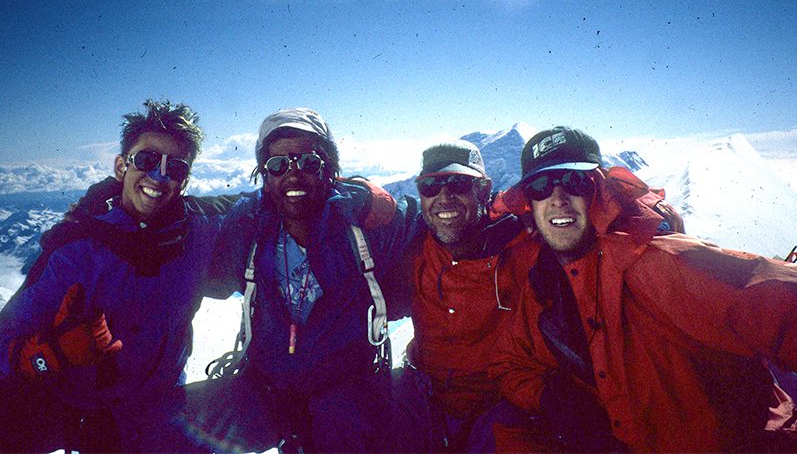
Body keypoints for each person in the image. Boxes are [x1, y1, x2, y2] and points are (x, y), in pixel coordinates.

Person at [490, 125, 797, 452]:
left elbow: (779, 301)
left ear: (600, 192)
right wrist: (552, 396)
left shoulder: (661, 263)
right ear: (528, 203)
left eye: (574, 182)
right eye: (540, 186)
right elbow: (511, 364)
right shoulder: (544, 283)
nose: (558, 199)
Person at [176, 108, 417, 453]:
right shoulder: (248, 226)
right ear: (264, 174)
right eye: (277, 165)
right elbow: (181, 214)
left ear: (328, 167)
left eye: (308, 162)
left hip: (345, 398)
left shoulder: (365, 225)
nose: (293, 176)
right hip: (264, 390)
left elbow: (439, 222)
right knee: (166, 426)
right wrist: (111, 195)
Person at [0, 100, 232, 452]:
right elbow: (5, 341)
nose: (159, 176)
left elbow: (262, 203)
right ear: (122, 166)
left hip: (151, 410)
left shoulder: (200, 232)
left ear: (185, 181)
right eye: (147, 160)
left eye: (176, 168)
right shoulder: (76, 251)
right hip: (70, 407)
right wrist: (55, 353)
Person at [390, 140, 536, 452]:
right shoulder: (412, 246)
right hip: (424, 399)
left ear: (483, 190)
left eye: (458, 185)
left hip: (498, 407)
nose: (443, 198)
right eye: (430, 187)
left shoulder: (523, 248)